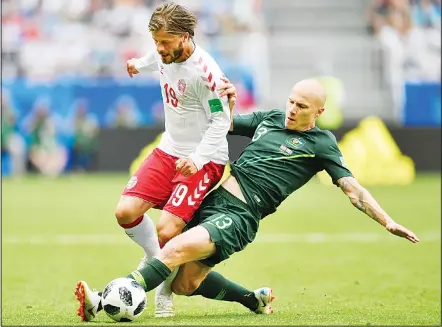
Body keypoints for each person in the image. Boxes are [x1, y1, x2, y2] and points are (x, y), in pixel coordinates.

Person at [75, 78, 419, 320]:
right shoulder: (269, 119)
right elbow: (220, 123)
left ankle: (106, 299)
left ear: (319, 111)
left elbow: (353, 189)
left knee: (174, 249)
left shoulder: (322, 144)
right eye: (291, 101)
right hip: (215, 200)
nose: (292, 109)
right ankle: (252, 299)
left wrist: (386, 219)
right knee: (184, 283)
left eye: (301, 106)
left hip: (241, 217)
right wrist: (222, 98)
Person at [82, 1, 233, 319]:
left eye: (165, 41)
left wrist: (198, 158)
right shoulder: (163, 52)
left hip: (204, 159)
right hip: (168, 150)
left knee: (168, 231)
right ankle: (157, 262)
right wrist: (139, 63)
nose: (160, 48)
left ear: (185, 36)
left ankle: (163, 291)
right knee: (125, 212)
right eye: (156, 42)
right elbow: (157, 60)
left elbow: (221, 122)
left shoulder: (207, 74)